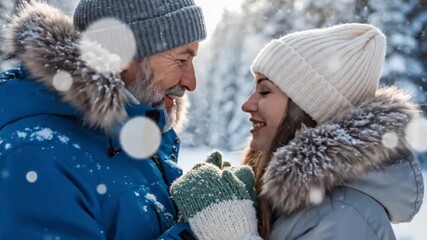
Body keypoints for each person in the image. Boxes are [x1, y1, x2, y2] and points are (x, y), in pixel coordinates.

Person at [169, 23, 424, 240]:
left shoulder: (344, 218)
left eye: (265, 91)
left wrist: (234, 234)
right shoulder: (305, 204)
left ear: (307, 109)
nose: (247, 104)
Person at [0, 0, 206, 239]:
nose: (191, 82)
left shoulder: (128, 133)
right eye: (181, 60)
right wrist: (197, 232)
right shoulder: (36, 155)